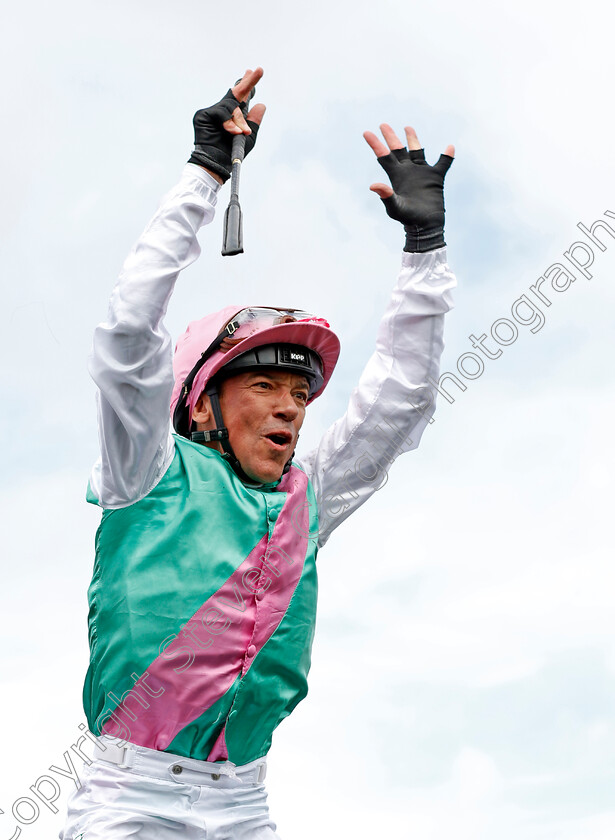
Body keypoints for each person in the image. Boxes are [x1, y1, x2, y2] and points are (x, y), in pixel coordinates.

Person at [60, 67, 456, 839]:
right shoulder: (147, 469)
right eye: (265, 386)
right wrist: (205, 174)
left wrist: (424, 252)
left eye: (300, 396)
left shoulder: (310, 496)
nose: (289, 407)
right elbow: (125, 339)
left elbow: (398, 404)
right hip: (129, 799)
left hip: (243, 802)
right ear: (201, 402)